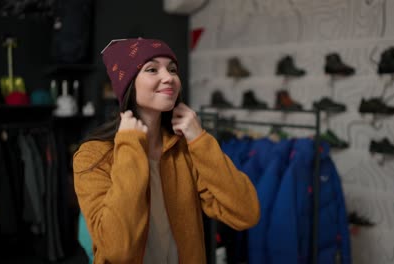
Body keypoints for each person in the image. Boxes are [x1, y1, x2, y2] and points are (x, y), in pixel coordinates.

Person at [72, 38, 260, 264]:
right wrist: (130, 144)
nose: (168, 77)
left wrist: (199, 139)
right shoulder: (93, 155)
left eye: (172, 69)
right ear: (128, 84)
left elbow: (246, 213)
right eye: (152, 69)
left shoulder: (185, 149)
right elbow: (117, 249)